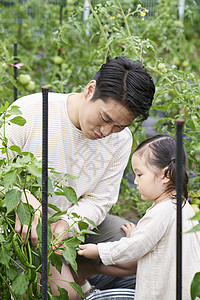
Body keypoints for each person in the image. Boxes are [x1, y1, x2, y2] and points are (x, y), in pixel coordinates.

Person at [2, 57, 155, 299]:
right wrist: (23, 200)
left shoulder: (121, 141)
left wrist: (68, 224)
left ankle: (79, 273)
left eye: (119, 126)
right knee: (65, 294)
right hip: (21, 229)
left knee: (143, 251)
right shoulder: (30, 112)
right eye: (105, 119)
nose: (106, 132)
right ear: (90, 90)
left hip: (71, 228)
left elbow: (100, 200)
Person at [78, 134, 200, 300]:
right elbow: (153, 241)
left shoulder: (162, 211)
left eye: (140, 175)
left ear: (165, 175)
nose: (135, 181)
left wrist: (98, 250)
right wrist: (135, 235)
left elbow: (134, 248)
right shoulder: (182, 205)